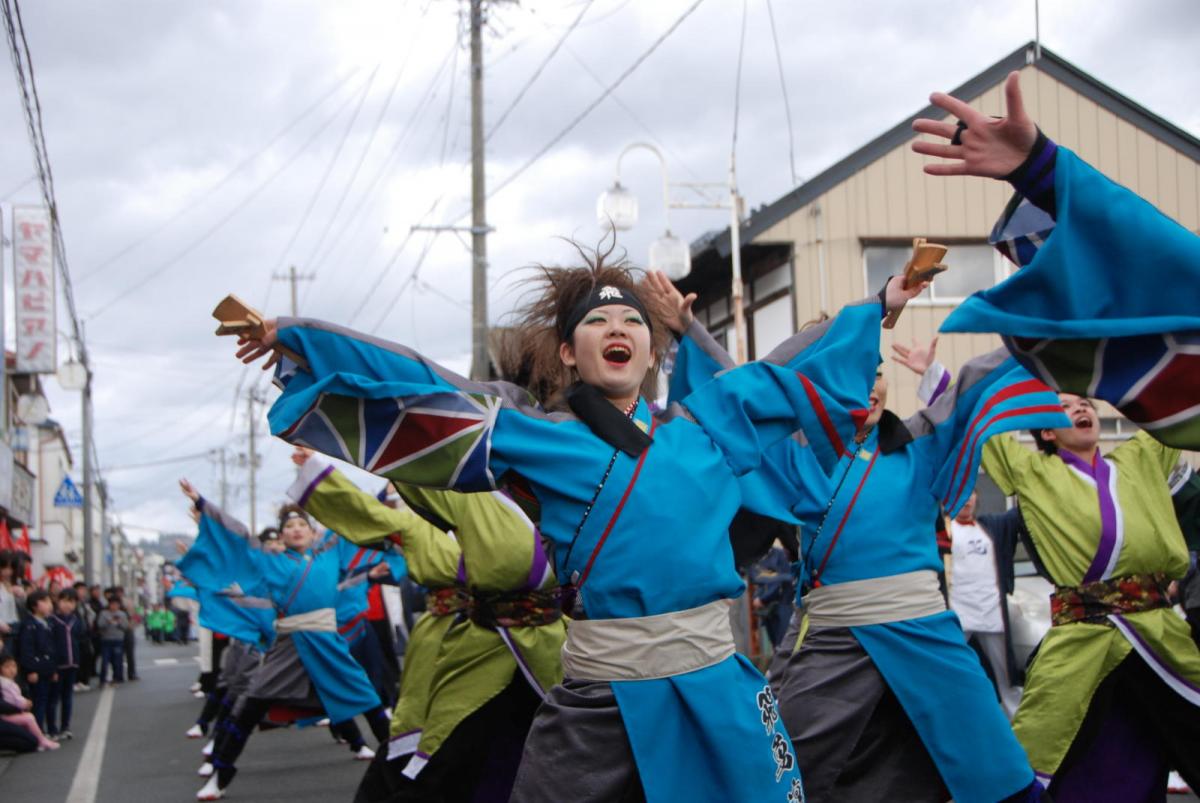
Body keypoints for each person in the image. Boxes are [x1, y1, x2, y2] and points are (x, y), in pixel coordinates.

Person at [230, 250, 910, 802]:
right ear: (566, 353)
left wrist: (876, 307)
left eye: (632, 320)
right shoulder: (537, 439)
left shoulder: (710, 426)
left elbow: (785, 367)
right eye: (598, 321)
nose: (618, 328)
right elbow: (425, 385)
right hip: (598, 692)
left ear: (652, 351)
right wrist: (300, 339)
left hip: (714, 678)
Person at [660, 266, 1064, 802]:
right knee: (772, 771)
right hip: (828, 639)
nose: (866, 387)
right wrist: (691, 332)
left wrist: (1054, 314)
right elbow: (736, 387)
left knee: (995, 768)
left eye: (874, 372)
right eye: (848, 374)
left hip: (925, 634)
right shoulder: (792, 454)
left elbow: (978, 380)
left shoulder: (921, 440)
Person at [912, 71, 1200, 798]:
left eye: (1084, 399)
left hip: (1164, 631)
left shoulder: (1142, 453)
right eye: (1061, 399)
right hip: (1082, 638)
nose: (1076, 406)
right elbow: (980, 410)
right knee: (1087, 774)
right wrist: (934, 382)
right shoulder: (1026, 463)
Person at [289, 447, 566, 803]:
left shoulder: (549, 504)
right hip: (459, 636)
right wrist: (318, 468)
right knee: (437, 740)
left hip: (543, 639)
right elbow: (373, 508)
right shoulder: (433, 514)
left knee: (548, 747)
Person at [178, 483, 395, 801]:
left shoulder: (330, 553)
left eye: (301, 525)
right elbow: (238, 538)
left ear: (314, 532)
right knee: (250, 706)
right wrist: (203, 504)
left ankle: (397, 766)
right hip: (289, 643)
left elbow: (353, 519)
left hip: (328, 643)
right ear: (281, 536)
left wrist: (381, 495)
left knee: (371, 702)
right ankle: (220, 774)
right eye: (289, 526)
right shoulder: (270, 560)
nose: (296, 530)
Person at [47, 587, 86, 739]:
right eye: (64, 601)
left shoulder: (77, 620)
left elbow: (82, 638)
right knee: (54, 697)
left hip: (72, 663)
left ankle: (65, 727)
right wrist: (52, 665)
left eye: (71, 602)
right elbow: (49, 644)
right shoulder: (52, 620)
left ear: (75, 604)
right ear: (57, 601)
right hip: (57, 665)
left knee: (67, 697)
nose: (67, 605)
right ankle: (52, 728)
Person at [0, 653, 59, 750]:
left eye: (14, 666)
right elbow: (13, 699)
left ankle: (38, 740)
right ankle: (41, 740)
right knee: (29, 718)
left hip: (10, 712)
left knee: (28, 720)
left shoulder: (10, 681)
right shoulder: (5, 684)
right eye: (7, 667)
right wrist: (24, 704)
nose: (11, 670)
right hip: (6, 715)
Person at [17, 589, 56, 732]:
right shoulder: (29, 625)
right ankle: (38, 732)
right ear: (34, 605)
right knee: (39, 702)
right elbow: (26, 650)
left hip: (47, 669)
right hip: (36, 670)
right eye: (45, 601)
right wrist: (30, 669)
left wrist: (53, 669)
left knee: (49, 701)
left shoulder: (48, 623)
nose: (49, 605)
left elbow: (53, 649)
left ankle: (51, 729)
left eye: (49, 601)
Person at [96, 595, 130, 686]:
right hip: (106, 640)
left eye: (116, 604)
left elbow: (126, 627)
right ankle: (102, 680)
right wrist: (108, 621)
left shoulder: (122, 614)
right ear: (109, 605)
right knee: (105, 661)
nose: (114, 606)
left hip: (118, 640)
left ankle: (117, 678)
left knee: (117, 661)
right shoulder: (104, 613)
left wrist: (119, 623)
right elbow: (99, 625)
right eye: (112, 604)